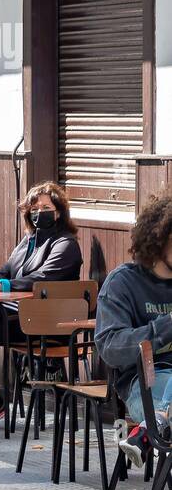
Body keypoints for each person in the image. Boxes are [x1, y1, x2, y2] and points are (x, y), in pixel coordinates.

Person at [0, 180, 83, 427]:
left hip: (52, 325)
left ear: (59, 211)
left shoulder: (66, 244)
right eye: (34, 208)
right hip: (23, 320)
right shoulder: (27, 242)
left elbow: (43, 278)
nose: (39, 212)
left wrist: (3, 286)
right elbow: (6, 271)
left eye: (45, 206)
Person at [95, 190, 172, 466]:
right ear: (159, 238)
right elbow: (111, 348)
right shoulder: (123, 283)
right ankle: (158, 423)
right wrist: (167, 327)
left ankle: (152, 429)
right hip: (145, 382)